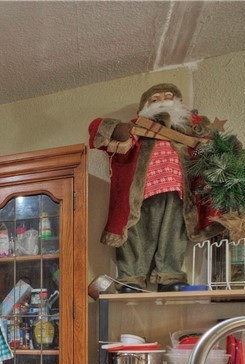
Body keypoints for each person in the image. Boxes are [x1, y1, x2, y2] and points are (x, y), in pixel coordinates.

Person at [88, 84, 217, 291]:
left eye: (168, 97)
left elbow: (212, 150)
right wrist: (120, 130)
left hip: (177, 191)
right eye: (155, 99)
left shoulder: (189, 132)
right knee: (133, 235)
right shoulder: (137, 129)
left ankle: (169, 276)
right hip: (138, 193)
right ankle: (131, 277)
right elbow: (98, 130)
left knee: (173, 233)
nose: (162, 102)